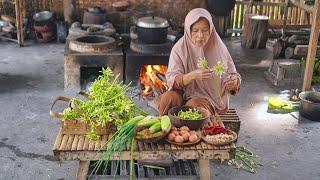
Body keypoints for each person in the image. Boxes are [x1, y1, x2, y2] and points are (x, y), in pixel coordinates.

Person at [158, 8, 241, 116]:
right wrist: (192, 76)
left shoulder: (218, 47)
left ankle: (193, 131)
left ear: (210, 30)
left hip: (206, 98)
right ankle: (167, 129)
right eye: (195, 31)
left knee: (195, 107)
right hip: (182, 95)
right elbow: (171, 78)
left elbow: (233, 75)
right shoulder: (179, 48)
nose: (200, 35)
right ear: (188, 30)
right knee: (168, 98)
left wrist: (234, 82)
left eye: (205, 30)